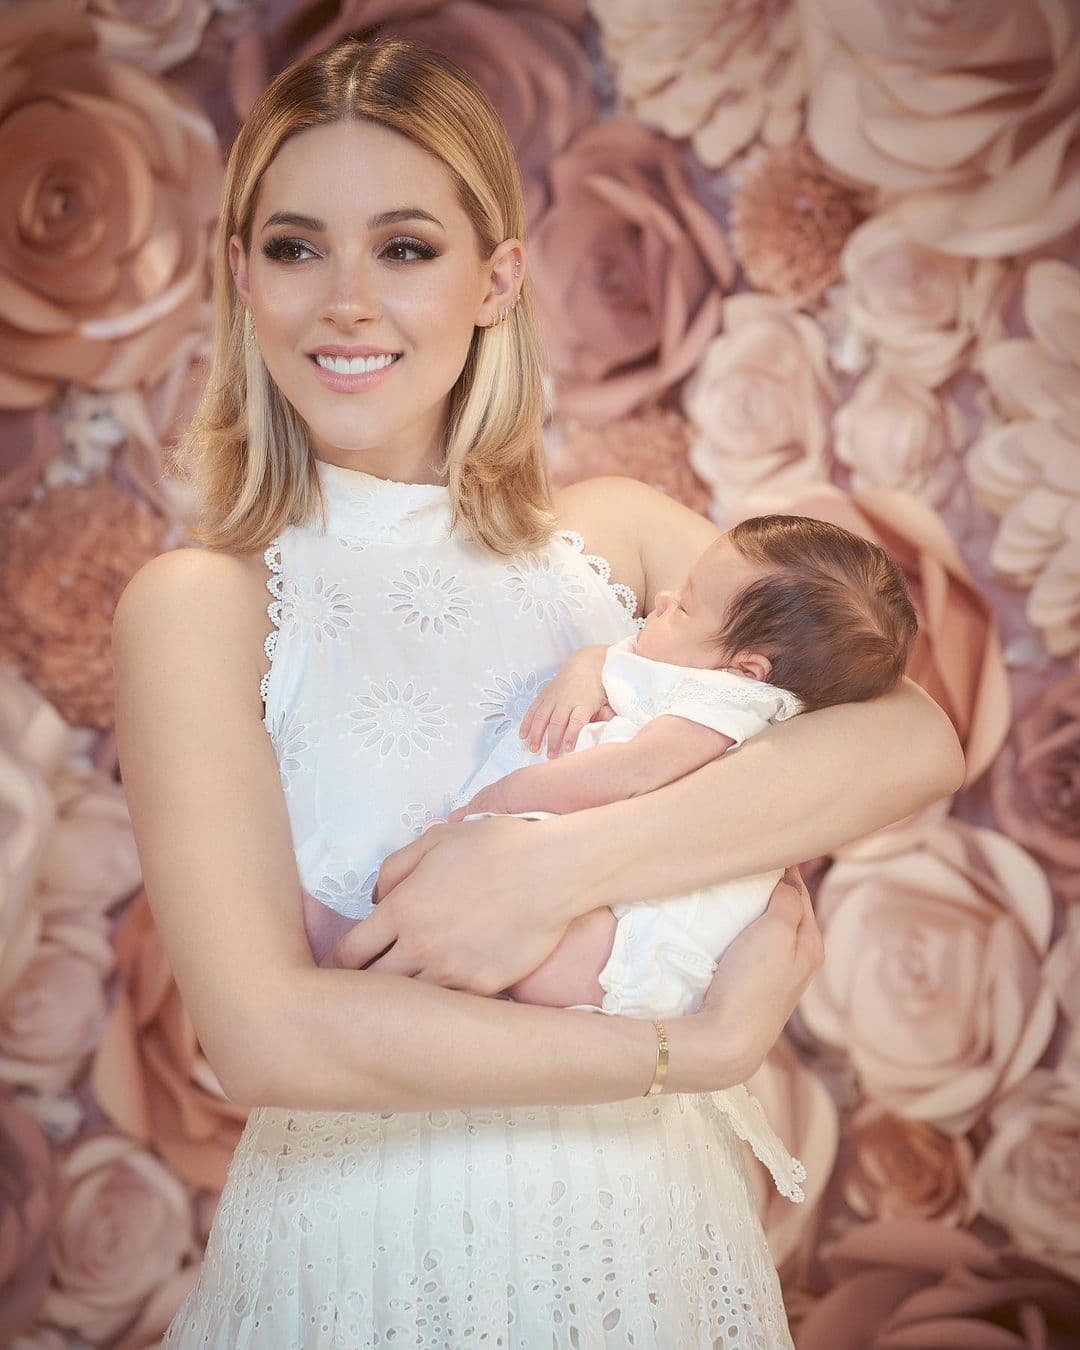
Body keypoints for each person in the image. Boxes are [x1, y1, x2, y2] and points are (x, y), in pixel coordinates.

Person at [111, 35, 964, 1349]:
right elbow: (273, 1036)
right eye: (293, 247)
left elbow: (910, 737)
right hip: (364, 1253)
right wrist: (693, 1051)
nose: (345, 300)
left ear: (498, 278)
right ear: (239, 275)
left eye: (404, 247)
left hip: (647, 1236)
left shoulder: (613, 536)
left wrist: (544, 878)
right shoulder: (199, 604)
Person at [431, 513, 919, 1020]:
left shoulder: (729, 705)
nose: (662, 601)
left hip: (633, 934)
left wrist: (509, 795)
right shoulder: (699, 676)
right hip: (599, 897)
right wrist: (588, 666)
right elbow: (620, 662)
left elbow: (629, 773)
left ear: (747, 670)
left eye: (683, 607)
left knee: (476, 919)